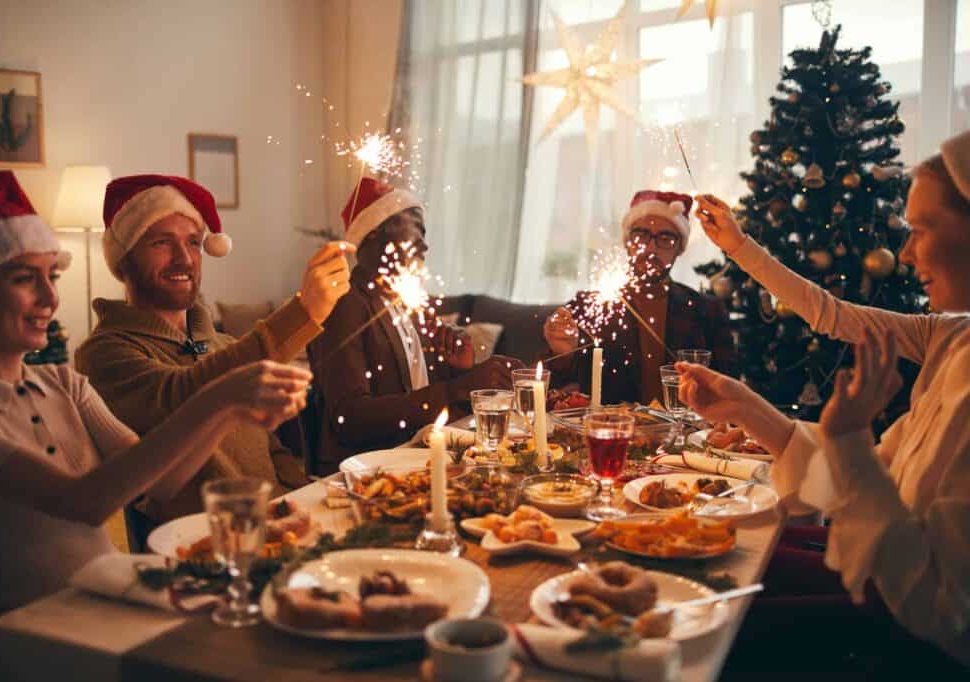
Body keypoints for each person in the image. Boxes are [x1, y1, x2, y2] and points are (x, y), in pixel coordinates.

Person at [0, 171, 310, 614]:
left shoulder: (62, 383)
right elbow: (83, 502)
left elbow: (161, 483)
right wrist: (221, 396)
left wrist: (232, 411)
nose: (49, 299)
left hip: (116, 600)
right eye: (25, 279)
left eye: (52, 277)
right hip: (34, 632)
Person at [679, 129, 970, 669]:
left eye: (922, 229)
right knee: (704, 554)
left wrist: (848, 440)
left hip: (907, 646)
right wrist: (746, 408)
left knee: (701, 611)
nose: (904, 254)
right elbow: (830, 314)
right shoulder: (951, 338)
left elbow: (936, 610)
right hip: (877, 593)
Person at [75, 175, 352, 526]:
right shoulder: (105, 354)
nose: (184, 258)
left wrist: (300, 498)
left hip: (278, 534)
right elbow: (185, 394)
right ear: (124, 259)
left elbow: (270, 448)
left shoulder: (223, 346)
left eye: (193, 242)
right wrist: (302, 314)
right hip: (198, 554)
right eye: (162, 242)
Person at [308, 177, 522, 473]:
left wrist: (460, 369)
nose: (424, 244)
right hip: (368, 470)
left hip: (416, 458)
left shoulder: (405, 303)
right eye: (415, 228)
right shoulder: (346, 302)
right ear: (372, 235)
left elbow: (418, 395)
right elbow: (349, 418)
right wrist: (458, 388)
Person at [543, 190, 734, 404]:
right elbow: (556, 390)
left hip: (688, 434)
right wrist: (563, 354)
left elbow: (728, 388)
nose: (650, 248)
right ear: (627, 242)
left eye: (665, 238)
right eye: (641, 235)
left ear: (679, 248)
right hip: (611, 430)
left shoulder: (707, 310)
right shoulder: (590, 305)